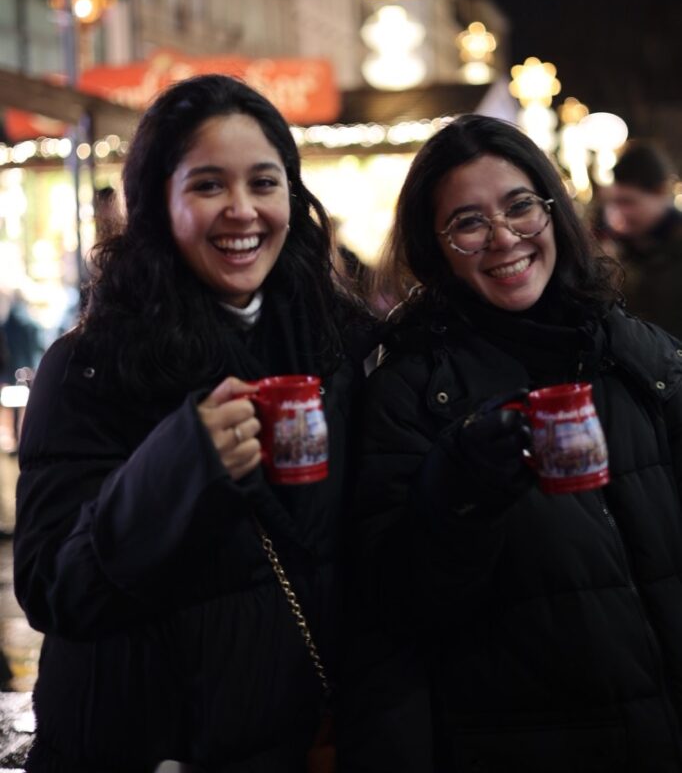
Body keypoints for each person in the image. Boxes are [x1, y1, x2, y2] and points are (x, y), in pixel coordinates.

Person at [13, 73, 374, 773]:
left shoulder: (345, 348)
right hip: (145, 750)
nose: (242, 210)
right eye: (208, 185)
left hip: (301, 748)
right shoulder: (88, 368)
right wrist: (176, 464)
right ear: (158, 206)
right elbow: (55, 589)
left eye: (264, 184)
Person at [338, 114, 682, 773]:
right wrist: (458, 495)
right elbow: (396, 614)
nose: (504, 239)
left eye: (520, 207)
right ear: (435, 247)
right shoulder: (411, 391)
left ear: (552, 211)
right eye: (469, 223)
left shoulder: (640, 358)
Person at [600, 138, 682, 338]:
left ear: (661, 191)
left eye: (628, 202)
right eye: (616, 202)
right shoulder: (621, 251)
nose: (619, 213)